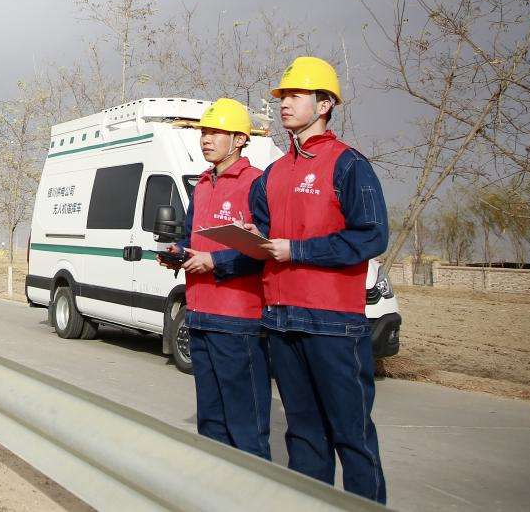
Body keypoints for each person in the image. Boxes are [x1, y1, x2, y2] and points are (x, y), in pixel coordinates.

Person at [248, 56, 388, 503]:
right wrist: (257, 239)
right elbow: (271, 236)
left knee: (352, 436)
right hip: (282, 320)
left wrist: (298, 249)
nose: (283, 104)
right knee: (304, 437)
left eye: (294, 95)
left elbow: (370, 236)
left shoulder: (349, 165)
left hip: (332, 322)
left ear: (325, 103)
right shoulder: (273, 172)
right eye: (281, 97)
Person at [161, 97, 271, 459]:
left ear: (239, 139)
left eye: (215, 132)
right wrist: (178, 252)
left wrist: (215, 261)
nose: (205, 139)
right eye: (203, 132)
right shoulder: (202, 185)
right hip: (201, 314)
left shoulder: (257, 184)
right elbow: (190, 235)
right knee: (210, 423)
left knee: (245, 425)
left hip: (238, 320)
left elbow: (262, 250)